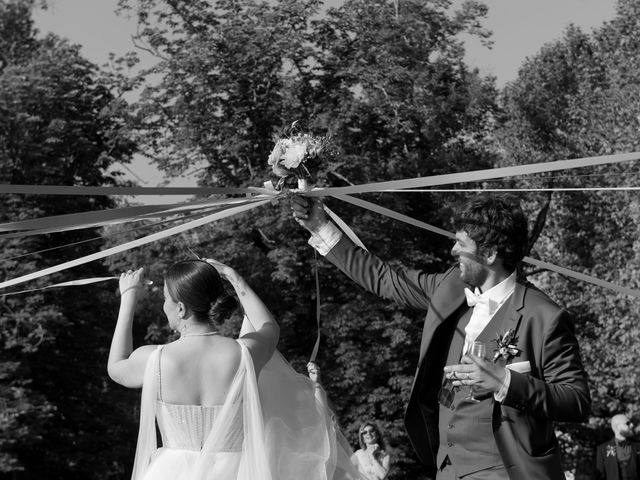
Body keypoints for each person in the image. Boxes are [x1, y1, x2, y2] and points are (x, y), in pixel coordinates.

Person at [291, 194, 591, 480]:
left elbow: (576, 400)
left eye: (461, 244)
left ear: (489, 253)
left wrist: (505, 382)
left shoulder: (544, 316)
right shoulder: (449, 287)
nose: (453, 251)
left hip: (508, 470)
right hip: (447, 467)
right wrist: (320, 226)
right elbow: (385, 278)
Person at [108, 258, 365, 480]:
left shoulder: (155, 359)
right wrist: (235, 278)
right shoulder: (244, 353)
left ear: (181, 308)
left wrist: (128, 297)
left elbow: (117, 366)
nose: (163, 305)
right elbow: (269, 327)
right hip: (237, 471)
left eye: (165, 299)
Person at [595, 414, 640, 480]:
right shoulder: (602, 449)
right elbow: (600, 476)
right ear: (618, 427)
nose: (632, 425)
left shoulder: (638, 446)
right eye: (627, 423)